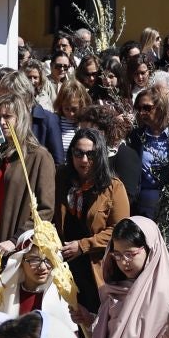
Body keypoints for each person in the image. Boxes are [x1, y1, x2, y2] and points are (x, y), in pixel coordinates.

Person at [0, 92, 57, 260]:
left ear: (20, 119)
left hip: (18, 249)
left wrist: (16, 240)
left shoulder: (38, 157)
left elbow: (45, 210)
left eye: (7, 117)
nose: (2, 122)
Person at [55, 128, 131, 315]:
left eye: (91, 154)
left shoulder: (113, 187)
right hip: (63, 265)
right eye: (78, 153)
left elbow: (119, 230)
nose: (84, 160)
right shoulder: (62, 179)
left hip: (95, 267)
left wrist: (82, 246)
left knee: (91, 324)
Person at [125, 88, 169, 220]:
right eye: (139, 108)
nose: (142, 113)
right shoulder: (136, 136)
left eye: (146, 108)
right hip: (143, 202)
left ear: (160, 107)